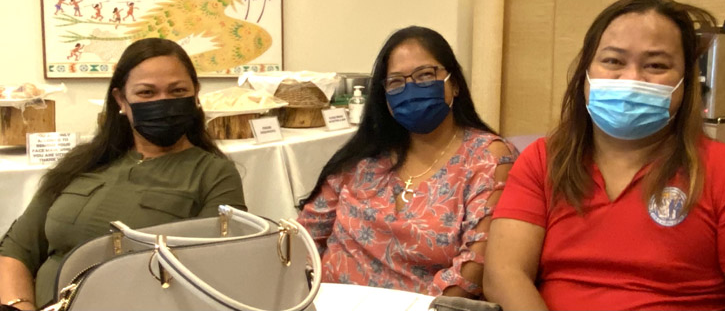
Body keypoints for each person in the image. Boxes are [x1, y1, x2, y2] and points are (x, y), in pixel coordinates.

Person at [484, 0, 725, 310]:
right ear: (585, 73)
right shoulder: (543, 160)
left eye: (656, 65)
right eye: (613, 61)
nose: (632, 79)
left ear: (685, 83)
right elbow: (505, 274)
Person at [0, 38, 246, 309]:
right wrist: (20, 305)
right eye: (146, 93)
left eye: (177, 91)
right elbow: (16, 249)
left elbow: (212, 274)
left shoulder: (214, 174)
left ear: (195, 94)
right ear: (121, 100)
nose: (163, 102)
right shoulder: (81, 163)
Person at [297, 26, 517, 297]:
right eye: (396, 82)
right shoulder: (364, 156)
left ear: (455, 84)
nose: (411, 89)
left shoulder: (488, 158)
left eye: (425, 75)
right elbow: (304, 236)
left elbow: (473, 269)